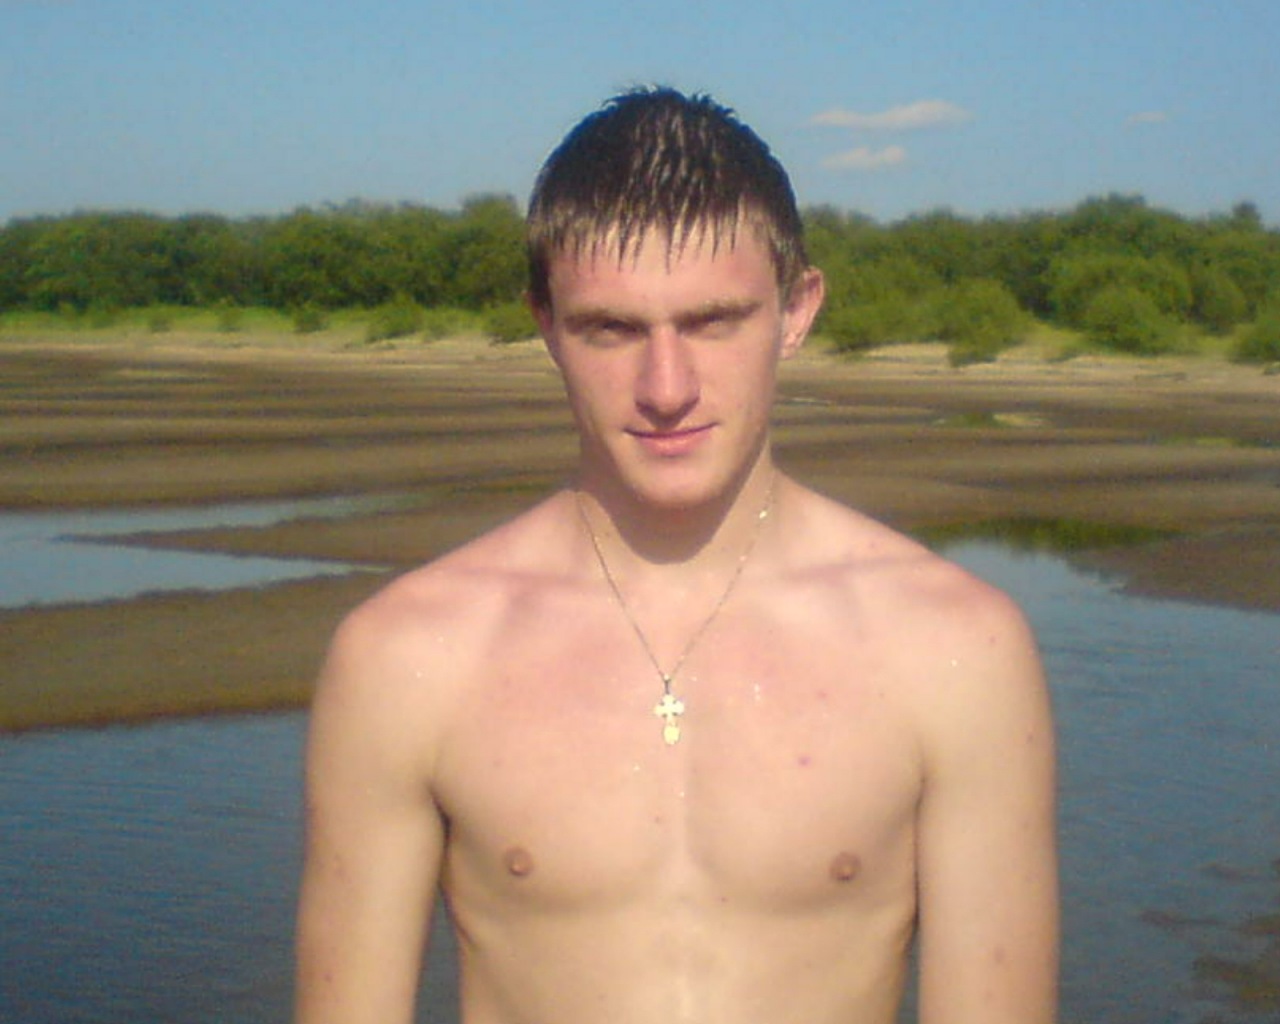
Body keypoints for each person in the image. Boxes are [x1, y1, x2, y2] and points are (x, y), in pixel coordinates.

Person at [294, 86, 1058, 1024]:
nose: (666, 388)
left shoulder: (957, 648)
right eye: (611, 329)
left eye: (713, 321)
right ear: (547, 326)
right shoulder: (406, 656)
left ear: (796, 310)